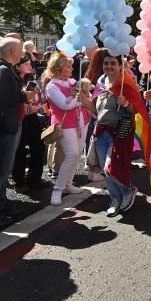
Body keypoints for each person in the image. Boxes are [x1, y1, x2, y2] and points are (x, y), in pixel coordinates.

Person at [0, 37, 36, 226]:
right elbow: (4, 97)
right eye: (20, 50)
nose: (22, 54)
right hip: (3, 126)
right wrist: (23, 95)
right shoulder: (2, 70)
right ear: (12, 51)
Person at [90, 52, 139, 217]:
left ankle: (127, 191)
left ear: (120, 66)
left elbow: (136, 109)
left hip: (119, 133)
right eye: (106, 63)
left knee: (110, 168)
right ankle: (115, 198)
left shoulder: (126, 84)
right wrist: (83, 100)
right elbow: (95, 111)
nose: (109, 66)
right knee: (106, 171)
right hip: (101, 132)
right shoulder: (100, 83)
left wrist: (125, 103)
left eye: (113, 63)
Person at [44, 52, 92, 206]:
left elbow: (87, 97)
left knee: (77, 155)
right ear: (58, 68)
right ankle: (57, 189)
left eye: (71, 65)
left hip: (82, 121)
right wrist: (77, 99)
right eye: (68, 66)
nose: (72, 68)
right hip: (65, 124)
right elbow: (64, 105)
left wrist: (83, 95)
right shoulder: (51, 86)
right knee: (71, 154)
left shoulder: (72, 81)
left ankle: (68, 184)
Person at [12, 55, 49, 192]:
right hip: (20, 118)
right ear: (17, 66)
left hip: (32, 116)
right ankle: (19, 181)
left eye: (29, 63)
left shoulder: (31, 80)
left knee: (38, 146)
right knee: (20, 150)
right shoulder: (13, 80)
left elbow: (40, 99)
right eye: (25, 64)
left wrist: (38, 102)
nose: (30, 66)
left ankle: (35, 177)